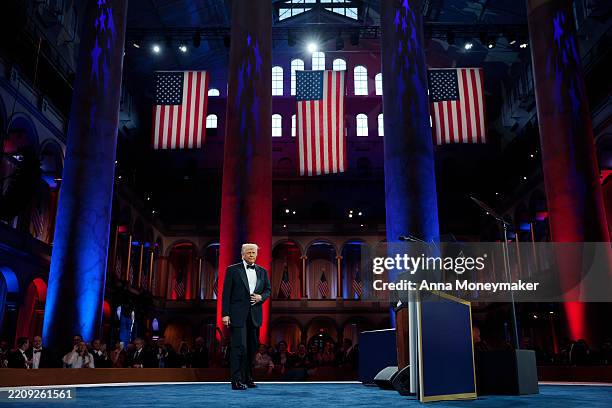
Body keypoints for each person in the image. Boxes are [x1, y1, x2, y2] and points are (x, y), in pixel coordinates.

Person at [222, 243, 271, 390]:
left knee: (252, 347)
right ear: (242, 254)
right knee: (239, 347)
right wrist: (225, 314)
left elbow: (268, 290)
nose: (251, 255)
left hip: (255, 315)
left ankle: (248, 378)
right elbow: (226, 294)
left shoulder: (263, 271)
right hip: (237, 315)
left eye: (254, 253)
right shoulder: (232, 270)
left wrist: (260, 297)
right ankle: (236, 380)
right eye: (249, 252)